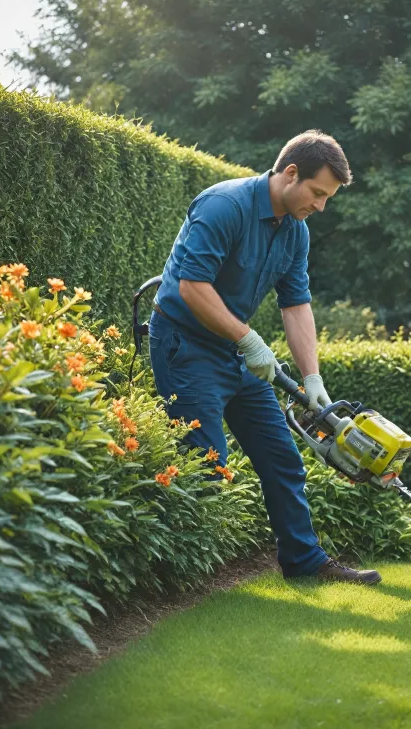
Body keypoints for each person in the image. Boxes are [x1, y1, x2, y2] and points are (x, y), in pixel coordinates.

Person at [150, 130, 381, 585]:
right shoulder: (225, 206)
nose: (320, 206)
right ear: (290, 173)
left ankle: (304, 562)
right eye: (317, 193)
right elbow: (191, 287)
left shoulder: (296, 233)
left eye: (327, 198)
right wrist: (250, 339)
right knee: (206, 465)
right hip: (185, 346)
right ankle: (184, 580)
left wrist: (312, 379)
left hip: (235, 351)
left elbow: (296, 304)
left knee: (281, 458)